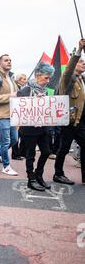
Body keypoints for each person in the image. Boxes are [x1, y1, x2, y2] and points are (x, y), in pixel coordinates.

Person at [17, 62, 55, 191]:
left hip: (43, 128)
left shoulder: (46, 91)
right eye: (46, 77)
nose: (48, 80)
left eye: (49, 78)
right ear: (38, 76)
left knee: (46, 152)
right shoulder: (26, 90)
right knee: (30, 154)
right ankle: (31, 179)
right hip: (29, 129)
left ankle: (39, 175)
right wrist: (33, 100)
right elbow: (19, 108)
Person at [53, 39, 85, 185]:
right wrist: (78, 51)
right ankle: (58, 174)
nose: (83, 63)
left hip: (81, 120)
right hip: (70, 120)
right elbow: (69, 68)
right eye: (81, 62)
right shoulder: (67, 78)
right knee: (64, 148)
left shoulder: (82, 79)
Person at [12, 73, 27, 160]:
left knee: (21, 134)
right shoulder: (16, 88)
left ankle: (20, 153)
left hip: (20, 114)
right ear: (19, 80)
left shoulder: (22, 88)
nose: (25, 81)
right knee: (16, 135)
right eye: (23, 79)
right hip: (16, 114)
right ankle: (15, 154)